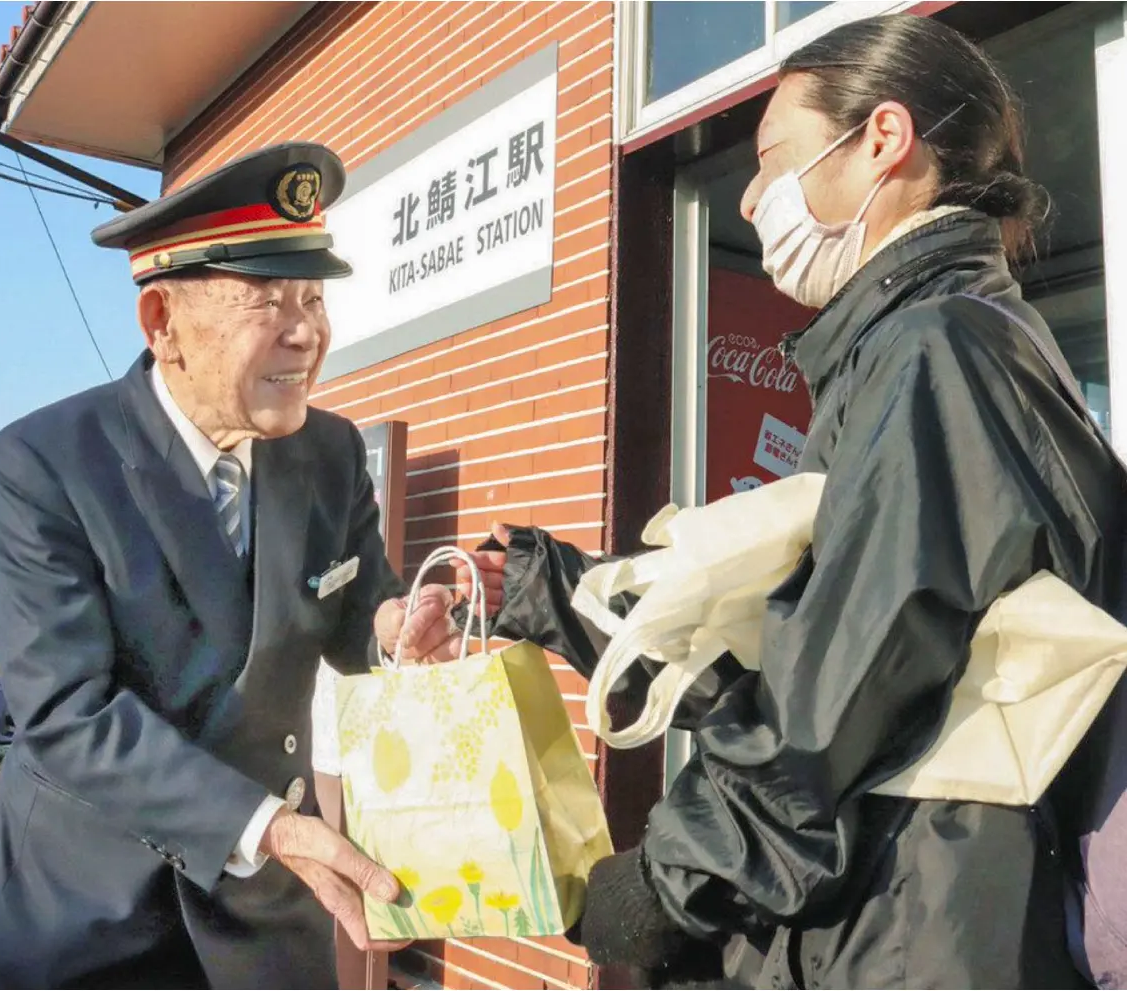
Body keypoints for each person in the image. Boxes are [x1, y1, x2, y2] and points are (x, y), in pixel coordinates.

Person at [459, 14, 1124, 989]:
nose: (752, 194)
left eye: (774, 157)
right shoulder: (942, 349)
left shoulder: (936, 352)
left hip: (916, 934)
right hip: (922, 920)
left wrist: (662, 885)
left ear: (883, 139)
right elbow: (809, 646)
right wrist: (542, 590)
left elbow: (830, 708)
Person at [0, 142, 466, 989]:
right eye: (267, 301)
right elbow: (65, 709)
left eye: (313, 298)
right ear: (161, 322)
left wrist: (397, 629)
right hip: (91, 895)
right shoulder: (48, 463)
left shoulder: (331, 453)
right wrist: (266, 825)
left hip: (267, 903)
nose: (306, 332)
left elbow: (359, 606)